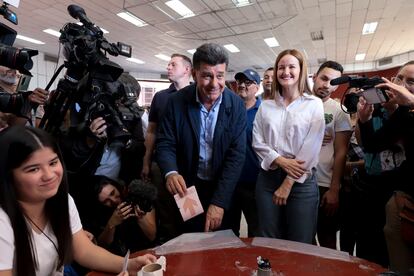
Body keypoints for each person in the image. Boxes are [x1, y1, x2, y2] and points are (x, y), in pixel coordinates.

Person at [0, 125, 156, 276]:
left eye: (53, 162)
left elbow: (84, 251)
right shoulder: (3, 221)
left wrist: (129, 264)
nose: (49, 175)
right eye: (33, 169)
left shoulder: (63, 201)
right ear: (7, 175)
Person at [156, 43, 247, 233]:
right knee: (190, 238)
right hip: (187, 188)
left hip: (224, 187)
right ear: (195, 74)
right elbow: (165, 143)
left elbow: (236, 156)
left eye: (220, 75)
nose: (214, 84)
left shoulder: (237, 105)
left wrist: (219, 202)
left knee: (224, 242)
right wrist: (171, 172)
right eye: (207, 76)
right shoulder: (176, 102)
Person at [252, 49, 325, 244]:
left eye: (292, 66)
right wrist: (281, 160)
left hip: (301, 182)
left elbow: (311, 147)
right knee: (269, 238)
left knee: (300, 241)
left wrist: (288, 182)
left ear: (301, 71)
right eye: (281, 67)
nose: (286, 71)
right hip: (268, 180)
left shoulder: (314, 104)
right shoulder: (266, 106)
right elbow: (257, 141)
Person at [358, 61, 414, 274]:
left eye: (411, 81)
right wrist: (364, 120)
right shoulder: (402, 112)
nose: (402, 85)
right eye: (399, 78)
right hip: (405, 200)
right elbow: (374, 144)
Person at [141, 53, 192, 242]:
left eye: (173, 64)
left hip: (189, 166)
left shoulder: (197, 95)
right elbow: (152, 131)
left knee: (189, 211)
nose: (168, 67)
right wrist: (146, 161)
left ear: (187, 69)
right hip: (161, 164)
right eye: (168, 64)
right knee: (166, 212)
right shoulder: (161, 97)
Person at [312, 61, 352, 249]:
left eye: (333, 82)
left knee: (327, 238)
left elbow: (341, 152)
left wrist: (334, 189)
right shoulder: (298, 105)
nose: (327, 85)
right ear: (314, 77)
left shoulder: (339, 113)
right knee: (301, 237)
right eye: (324, 78)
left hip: (324, 183)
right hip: (298, 179)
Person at [90, 175, 157, 255]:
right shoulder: (101, 215)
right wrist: (111, 224)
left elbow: (152, 236)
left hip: (148, 250)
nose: (114, 200)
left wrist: (140, 218)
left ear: (116, 186)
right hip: (123, 258)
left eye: (112, 193)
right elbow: (103, 247)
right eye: (106, 201)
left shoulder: (137, 194)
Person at [231, 68, 261, 237]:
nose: (242, 85)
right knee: (228, 229)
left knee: (256, 230)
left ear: (257, 87)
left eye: (247, 82)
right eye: (240, 82)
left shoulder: (263, 112)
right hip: (231, 182)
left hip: (254, 183)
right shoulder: (229, 110)